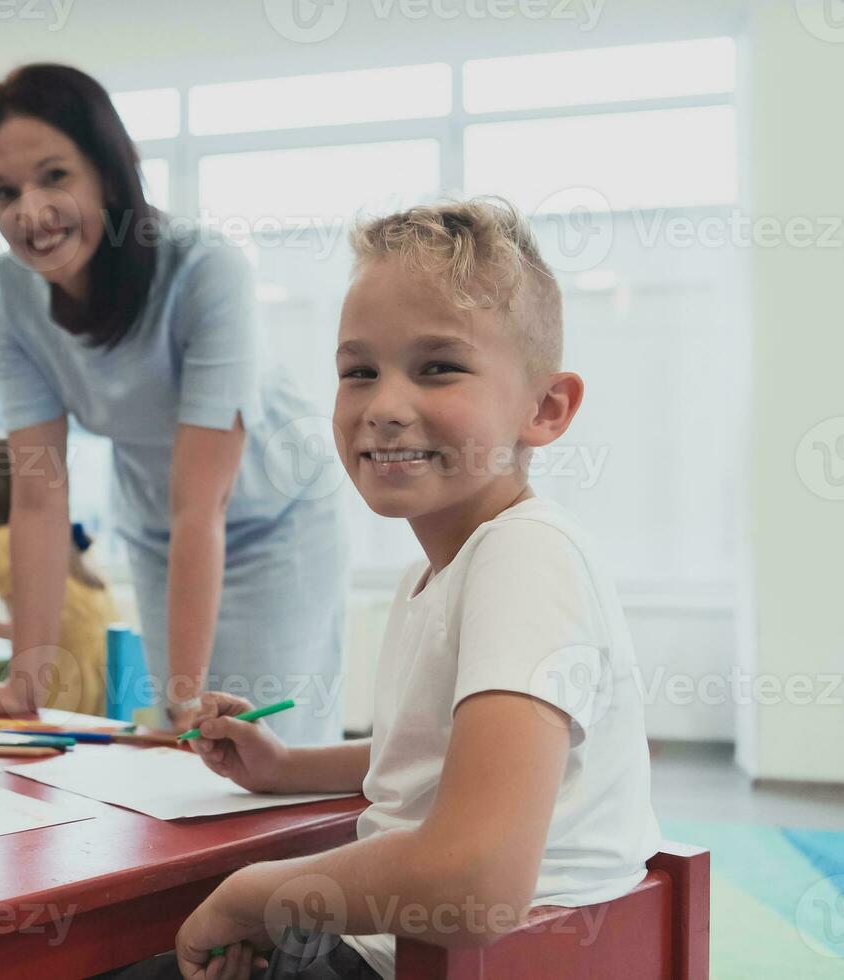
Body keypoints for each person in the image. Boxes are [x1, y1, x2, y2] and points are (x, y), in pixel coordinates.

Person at [158, 199, 660, 979]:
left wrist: (253, 895)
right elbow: (434, 757)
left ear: (546, 408)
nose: (385, 408)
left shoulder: (524, 559)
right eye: (359, 371)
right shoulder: (442, 571)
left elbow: (475, 883)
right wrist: (284, 767)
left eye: (438, 367)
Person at [0, 64, 349, 742]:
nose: (31, 213)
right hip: (161, 527)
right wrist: (25, 684)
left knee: (258, 745)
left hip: (273, 517)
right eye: (3, 192)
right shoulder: (8, 294)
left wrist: (186, 701)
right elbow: (41, 500)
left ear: (108, 172)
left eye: (55, 176)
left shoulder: (204, 270)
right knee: (190, 752)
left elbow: (205, 502)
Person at [0, 436, 118, 714]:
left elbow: (27, 631)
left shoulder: (3, 543)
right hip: (104, 678)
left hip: (60, 677)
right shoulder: (64, 540)